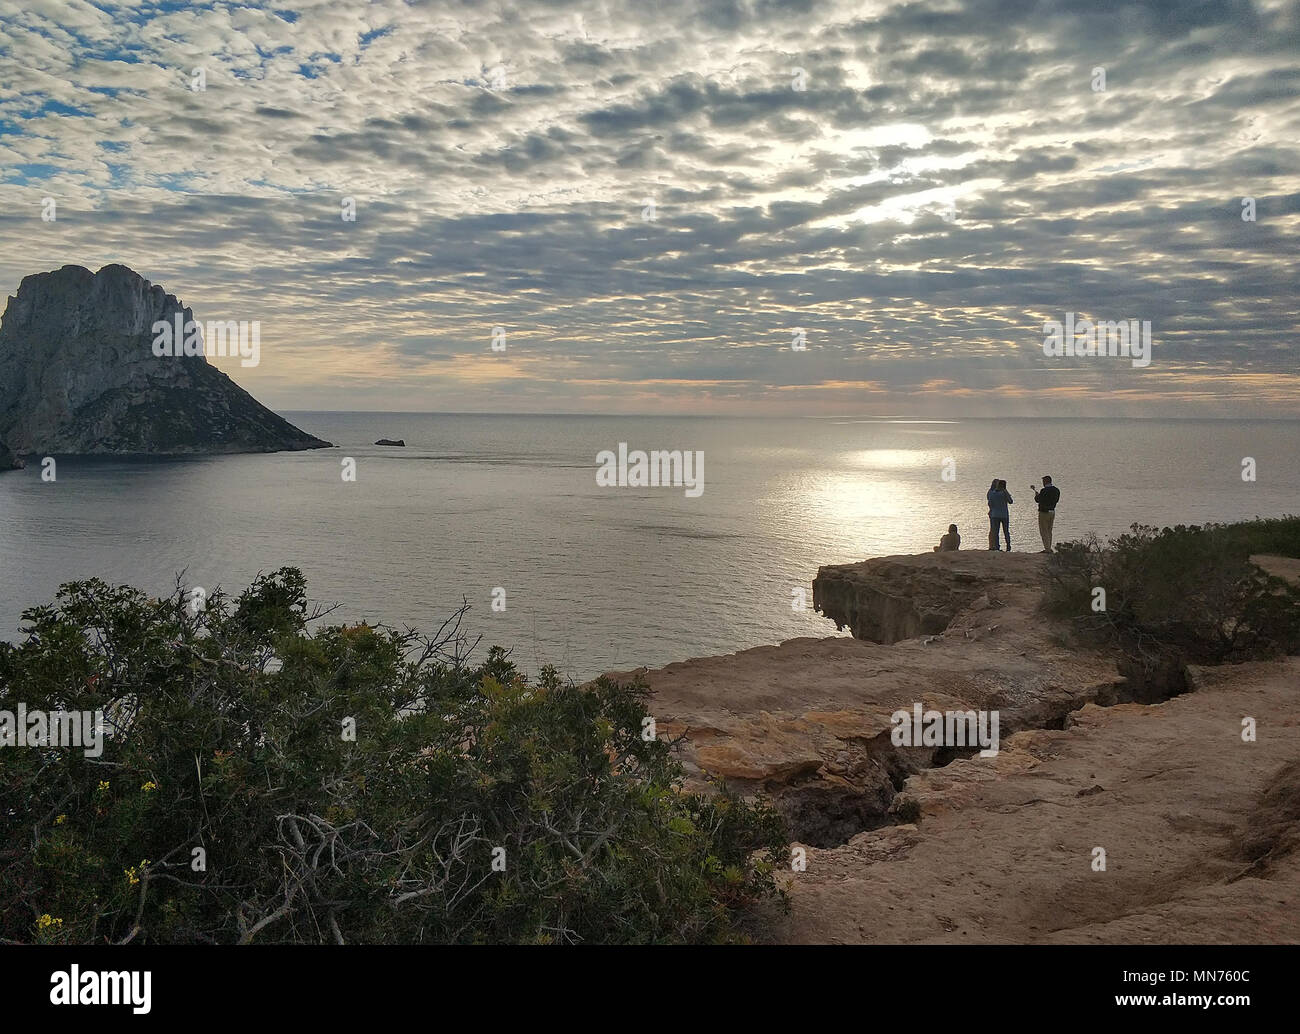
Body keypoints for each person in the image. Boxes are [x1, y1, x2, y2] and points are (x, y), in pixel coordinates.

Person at [1031, 475, 1060, 553]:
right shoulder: (1056, 490)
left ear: (1046, 481)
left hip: (1044, 512)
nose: (1043, 483)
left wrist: (1037, 495)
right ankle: (1048, 547)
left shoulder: (1044, 490)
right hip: (1052, 511)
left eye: (1043, 481)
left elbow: (1038, 500)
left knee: (1044, 531)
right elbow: (1056, 500)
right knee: (1049, 530)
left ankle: (1047, 549)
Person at [987, 478, 1012, 551]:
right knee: (1006, 531)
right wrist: (1006, 491)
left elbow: (990, 504)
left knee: (996, 532)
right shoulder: (1004, 493)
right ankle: (1008, 546)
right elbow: (1010, 501)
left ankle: (997, 546)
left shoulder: (992, 493)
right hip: (1004, 515)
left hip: (995, 515)